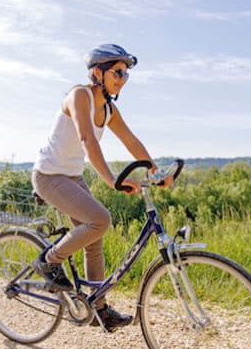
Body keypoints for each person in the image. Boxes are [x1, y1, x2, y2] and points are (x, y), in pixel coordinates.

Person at [31, 44, 172, 332]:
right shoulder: (79, 95)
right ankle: (49, 259)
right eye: (117, 72)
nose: (122, 79)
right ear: (98, 73)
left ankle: (99, 308)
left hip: (71, 176)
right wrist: (113, 180)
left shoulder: (109, 109)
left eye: (125, 75)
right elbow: (87, 140)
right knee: (101, 220)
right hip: (49, 176)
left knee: (93, 237)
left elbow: (131, 142)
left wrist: (156, 171)